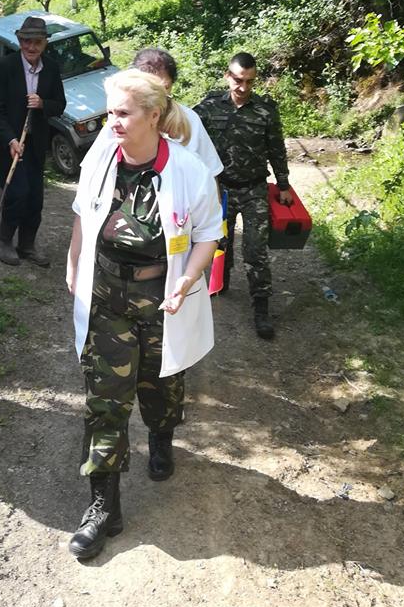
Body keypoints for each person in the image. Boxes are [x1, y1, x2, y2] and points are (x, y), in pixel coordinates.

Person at [66, 68, 221, 560]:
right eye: (110, 112)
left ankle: (161, 435)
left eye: (123, 113)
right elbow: (82, 212)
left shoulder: (187, 169)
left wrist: (187, 281)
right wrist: (74, 265)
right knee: (105, 402)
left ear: (154, 116)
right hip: (107, 296)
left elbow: (208, 234)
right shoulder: (101, 158)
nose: (112, 122)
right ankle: (103, 507)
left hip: (162, 300)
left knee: (161, 386)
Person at [194, 52, 292, 341]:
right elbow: (186, 134)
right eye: (238, 80)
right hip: (220, 190)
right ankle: (220, 282)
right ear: (228, 76)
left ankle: (261, 309)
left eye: (249, 81)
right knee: (218, 242)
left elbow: (276, 148)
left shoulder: (265, 110)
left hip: (253, 189)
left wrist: (283, 184)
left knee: (255, 250)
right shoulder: (209, 107)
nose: (243, 87)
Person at [0, 15, 66, 267]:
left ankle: (27, 245)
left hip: (35, 144)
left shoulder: (51, 68)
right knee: (17, 192)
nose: (31, 47)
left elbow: (60, 105)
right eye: (26, 41)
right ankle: (5, 242)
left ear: (45, 43)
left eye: (37, 42)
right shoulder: (5, 66)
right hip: (8, 144)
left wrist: (43, 103)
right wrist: (11, 140)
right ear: (19, 41)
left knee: (35, 198)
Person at [131, 47, 223, 178]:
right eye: (151, 88)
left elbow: (211, 171)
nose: (159, 95)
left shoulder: (188, 119)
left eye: (165, 87)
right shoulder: (123, 119)